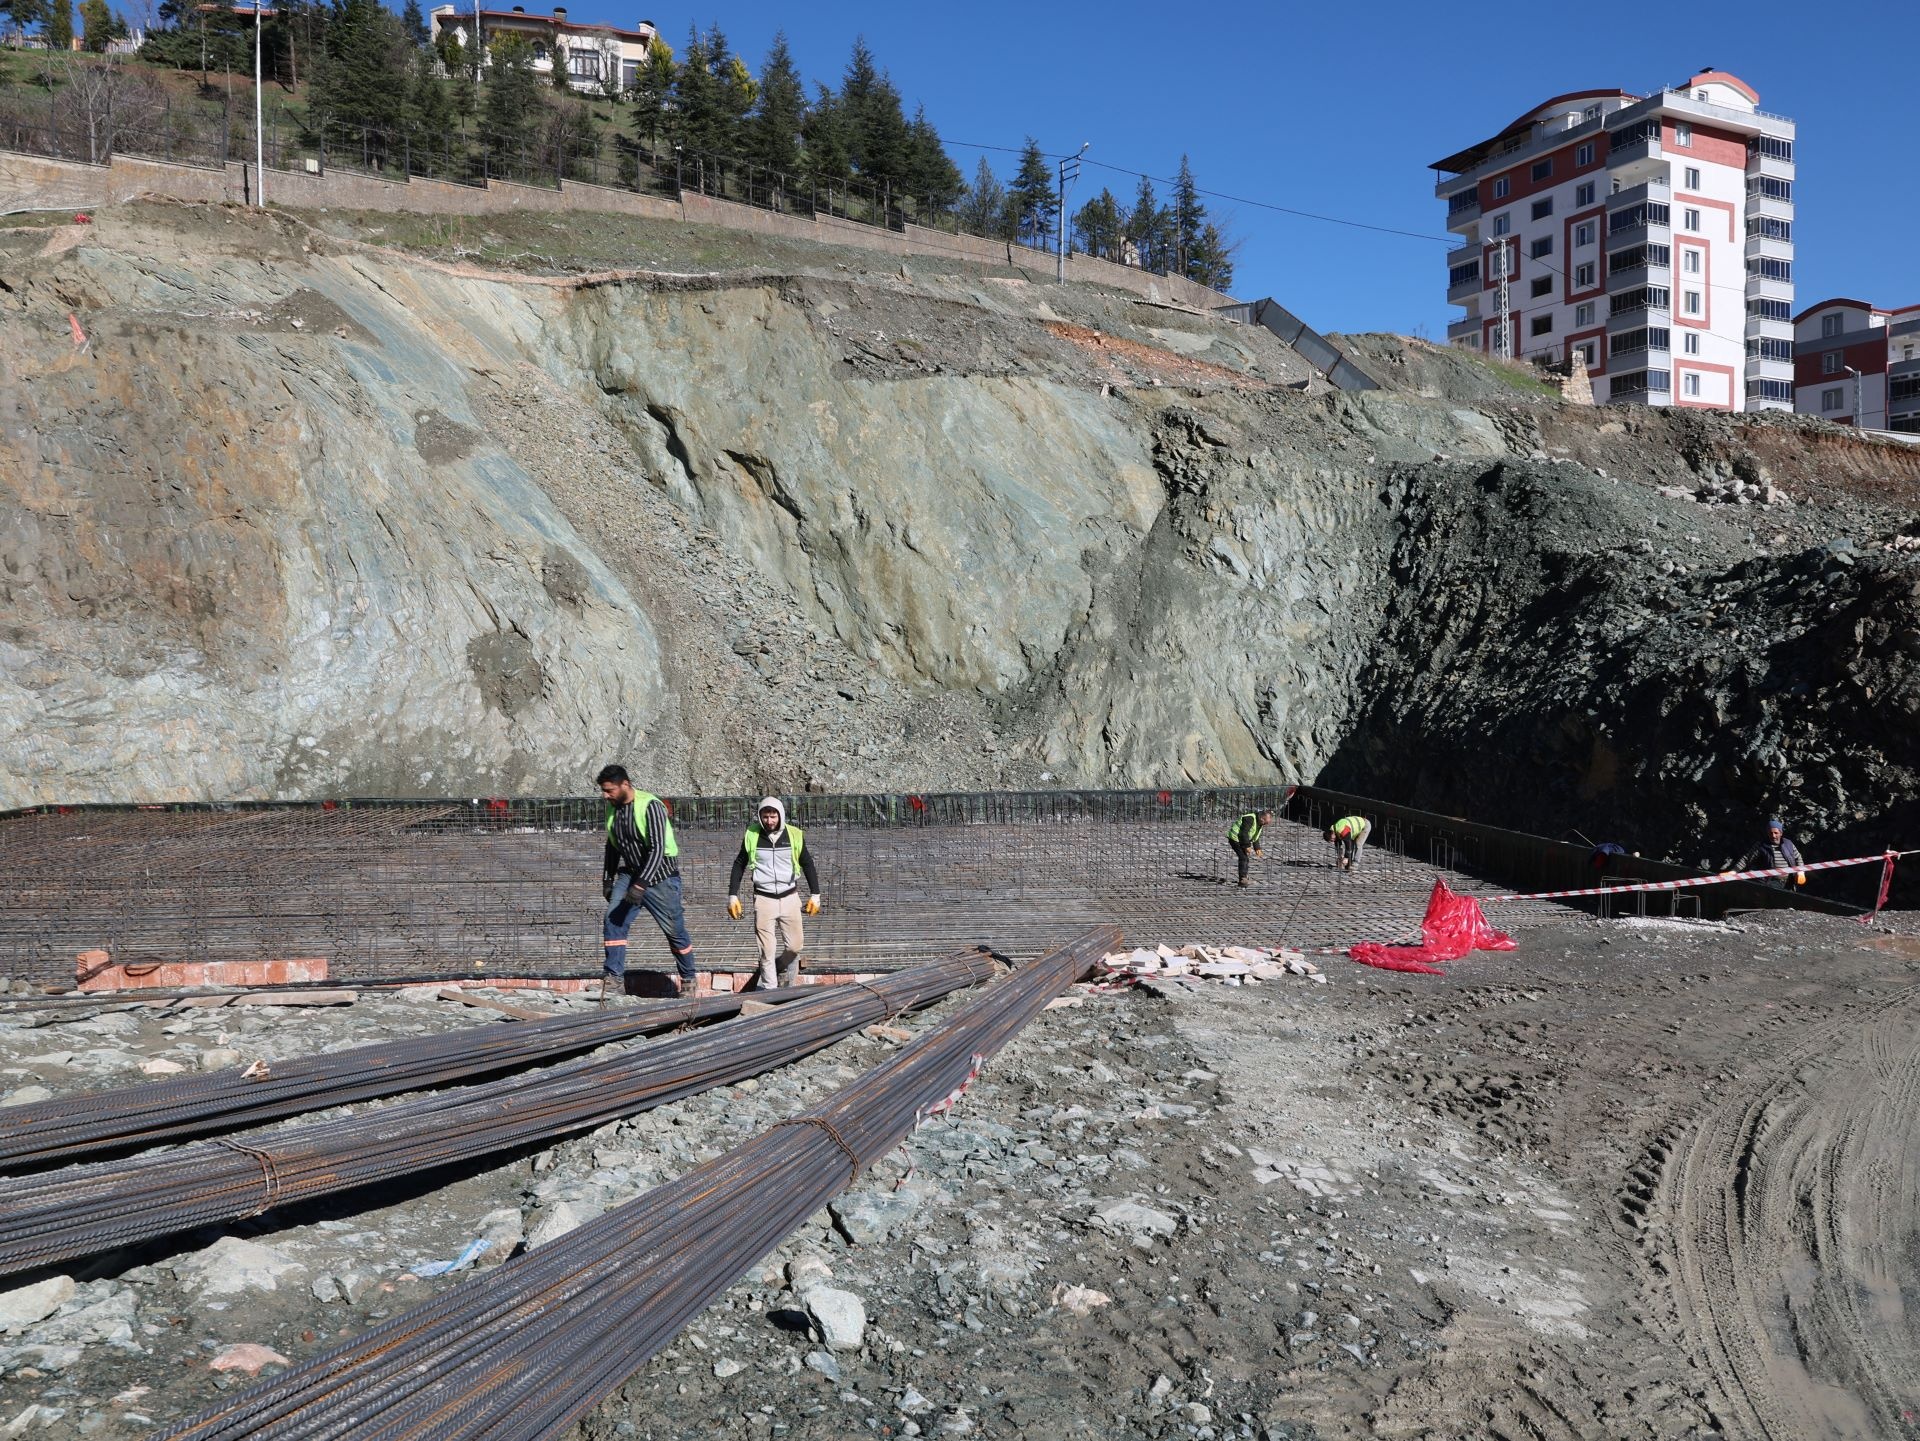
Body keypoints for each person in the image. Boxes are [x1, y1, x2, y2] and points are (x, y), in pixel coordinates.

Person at [597, 764, 699, 1000]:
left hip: (660, 877)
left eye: (609, 790)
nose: (605, 796)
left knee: (674, 930)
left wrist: (640, 885)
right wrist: (607, 879)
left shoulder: (651, 806)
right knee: (613, 920)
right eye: (603, 790)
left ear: (625, 785)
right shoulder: (614, 808)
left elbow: (657, 849)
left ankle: (689, 979)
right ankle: (613, 979)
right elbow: (612, 845)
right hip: (631, 873)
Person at [726, 797, 823, 990]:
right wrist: (732, 895)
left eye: (773, 816)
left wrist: (815, 894)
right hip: (764, 899)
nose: (769, 821)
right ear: (760, 816)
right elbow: (739, 864)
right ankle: (769, 990)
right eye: (765, 816)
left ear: (780, 815)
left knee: (795, 946)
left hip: (789, 897)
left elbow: (807, 863)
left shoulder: (793, 835)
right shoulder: (752, 835)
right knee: (766, 951)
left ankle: (780, 965)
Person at [1731, 817, 1806, 891]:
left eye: (1776, 833)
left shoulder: (1788, 844)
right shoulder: (1761, 845)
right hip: (1770, 882)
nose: (1773, 836)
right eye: (1771, 833)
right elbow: (1746, 859)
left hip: (1789, 882)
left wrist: (1801, 872)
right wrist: (1734, 871)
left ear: (1781, 833)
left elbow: (1798, 857)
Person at [1227, 809, 1273, 887]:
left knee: (1245, 858)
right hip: (1235, 838)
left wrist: (1257, 848)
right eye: (1266, 822)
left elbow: (1255, 837)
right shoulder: (1250, 818)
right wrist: (1247, 846)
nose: (1266, 824)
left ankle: (1244, 876)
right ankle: (1243, 879)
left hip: (1241, 839)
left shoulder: (1259, 823)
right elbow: (1243, 833)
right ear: (1262, 818)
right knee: (1243, 858)